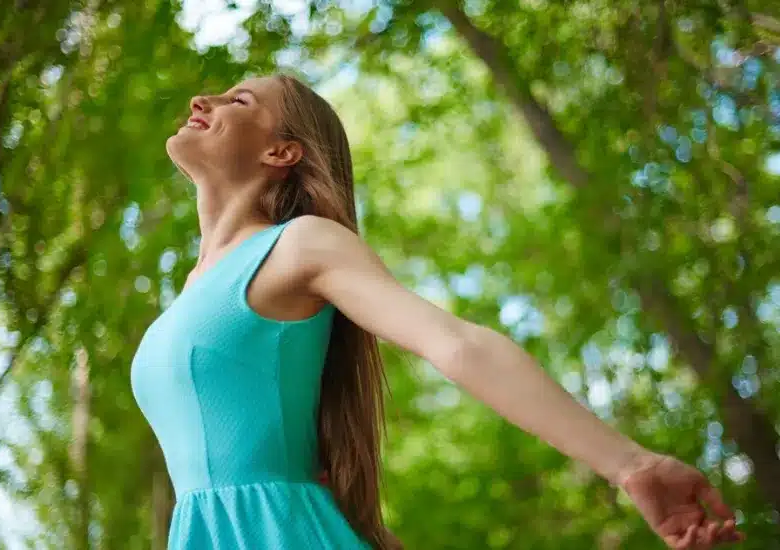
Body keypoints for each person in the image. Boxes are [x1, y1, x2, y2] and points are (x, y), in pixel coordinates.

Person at [130, 74, 745, 550]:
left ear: (282, 152)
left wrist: (630, 465)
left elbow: (456, 345)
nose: (202, 99)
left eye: (238, 101)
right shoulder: (192, 289)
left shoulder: (300, 243)